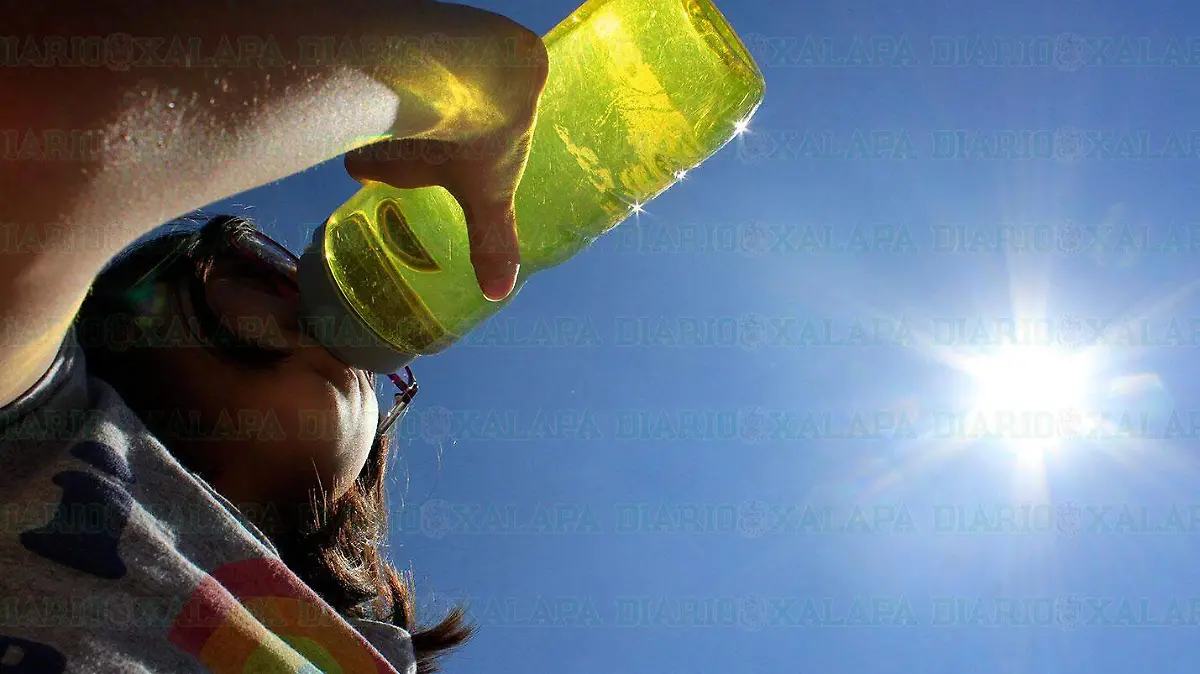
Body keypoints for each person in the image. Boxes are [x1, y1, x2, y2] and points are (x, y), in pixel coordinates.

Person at [0, 1, 549, 672]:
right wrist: (459, 72)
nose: (309, 291)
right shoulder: (38, 439)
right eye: (255, 270)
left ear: (349, 500)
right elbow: (40, 133)